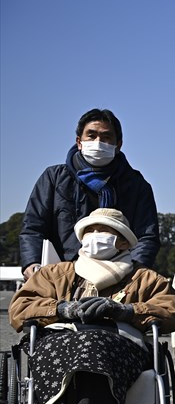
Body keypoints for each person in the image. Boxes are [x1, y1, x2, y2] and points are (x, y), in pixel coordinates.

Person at [8, 208, 175, 404]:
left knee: (93, 345)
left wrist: (127, 311)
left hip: (119, 343)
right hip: (61, 340)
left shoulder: (144, 278)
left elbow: (171, 310)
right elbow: (20, 307)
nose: (94, 237)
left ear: (123, 242)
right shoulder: (55, 274)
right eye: (89, 231)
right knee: (52, 350)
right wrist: (62, 308)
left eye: (104, 231)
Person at [20, 109, 160, 280]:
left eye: (106, 137)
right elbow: (33, 228)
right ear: (79, 141)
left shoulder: (137, 186)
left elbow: (147, 236)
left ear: (119, 145)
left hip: (117, 276)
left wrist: (135, 271)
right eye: (91, 136)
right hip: (61, 276)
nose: (98, 142)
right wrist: (32, 263)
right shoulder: (54, 178)